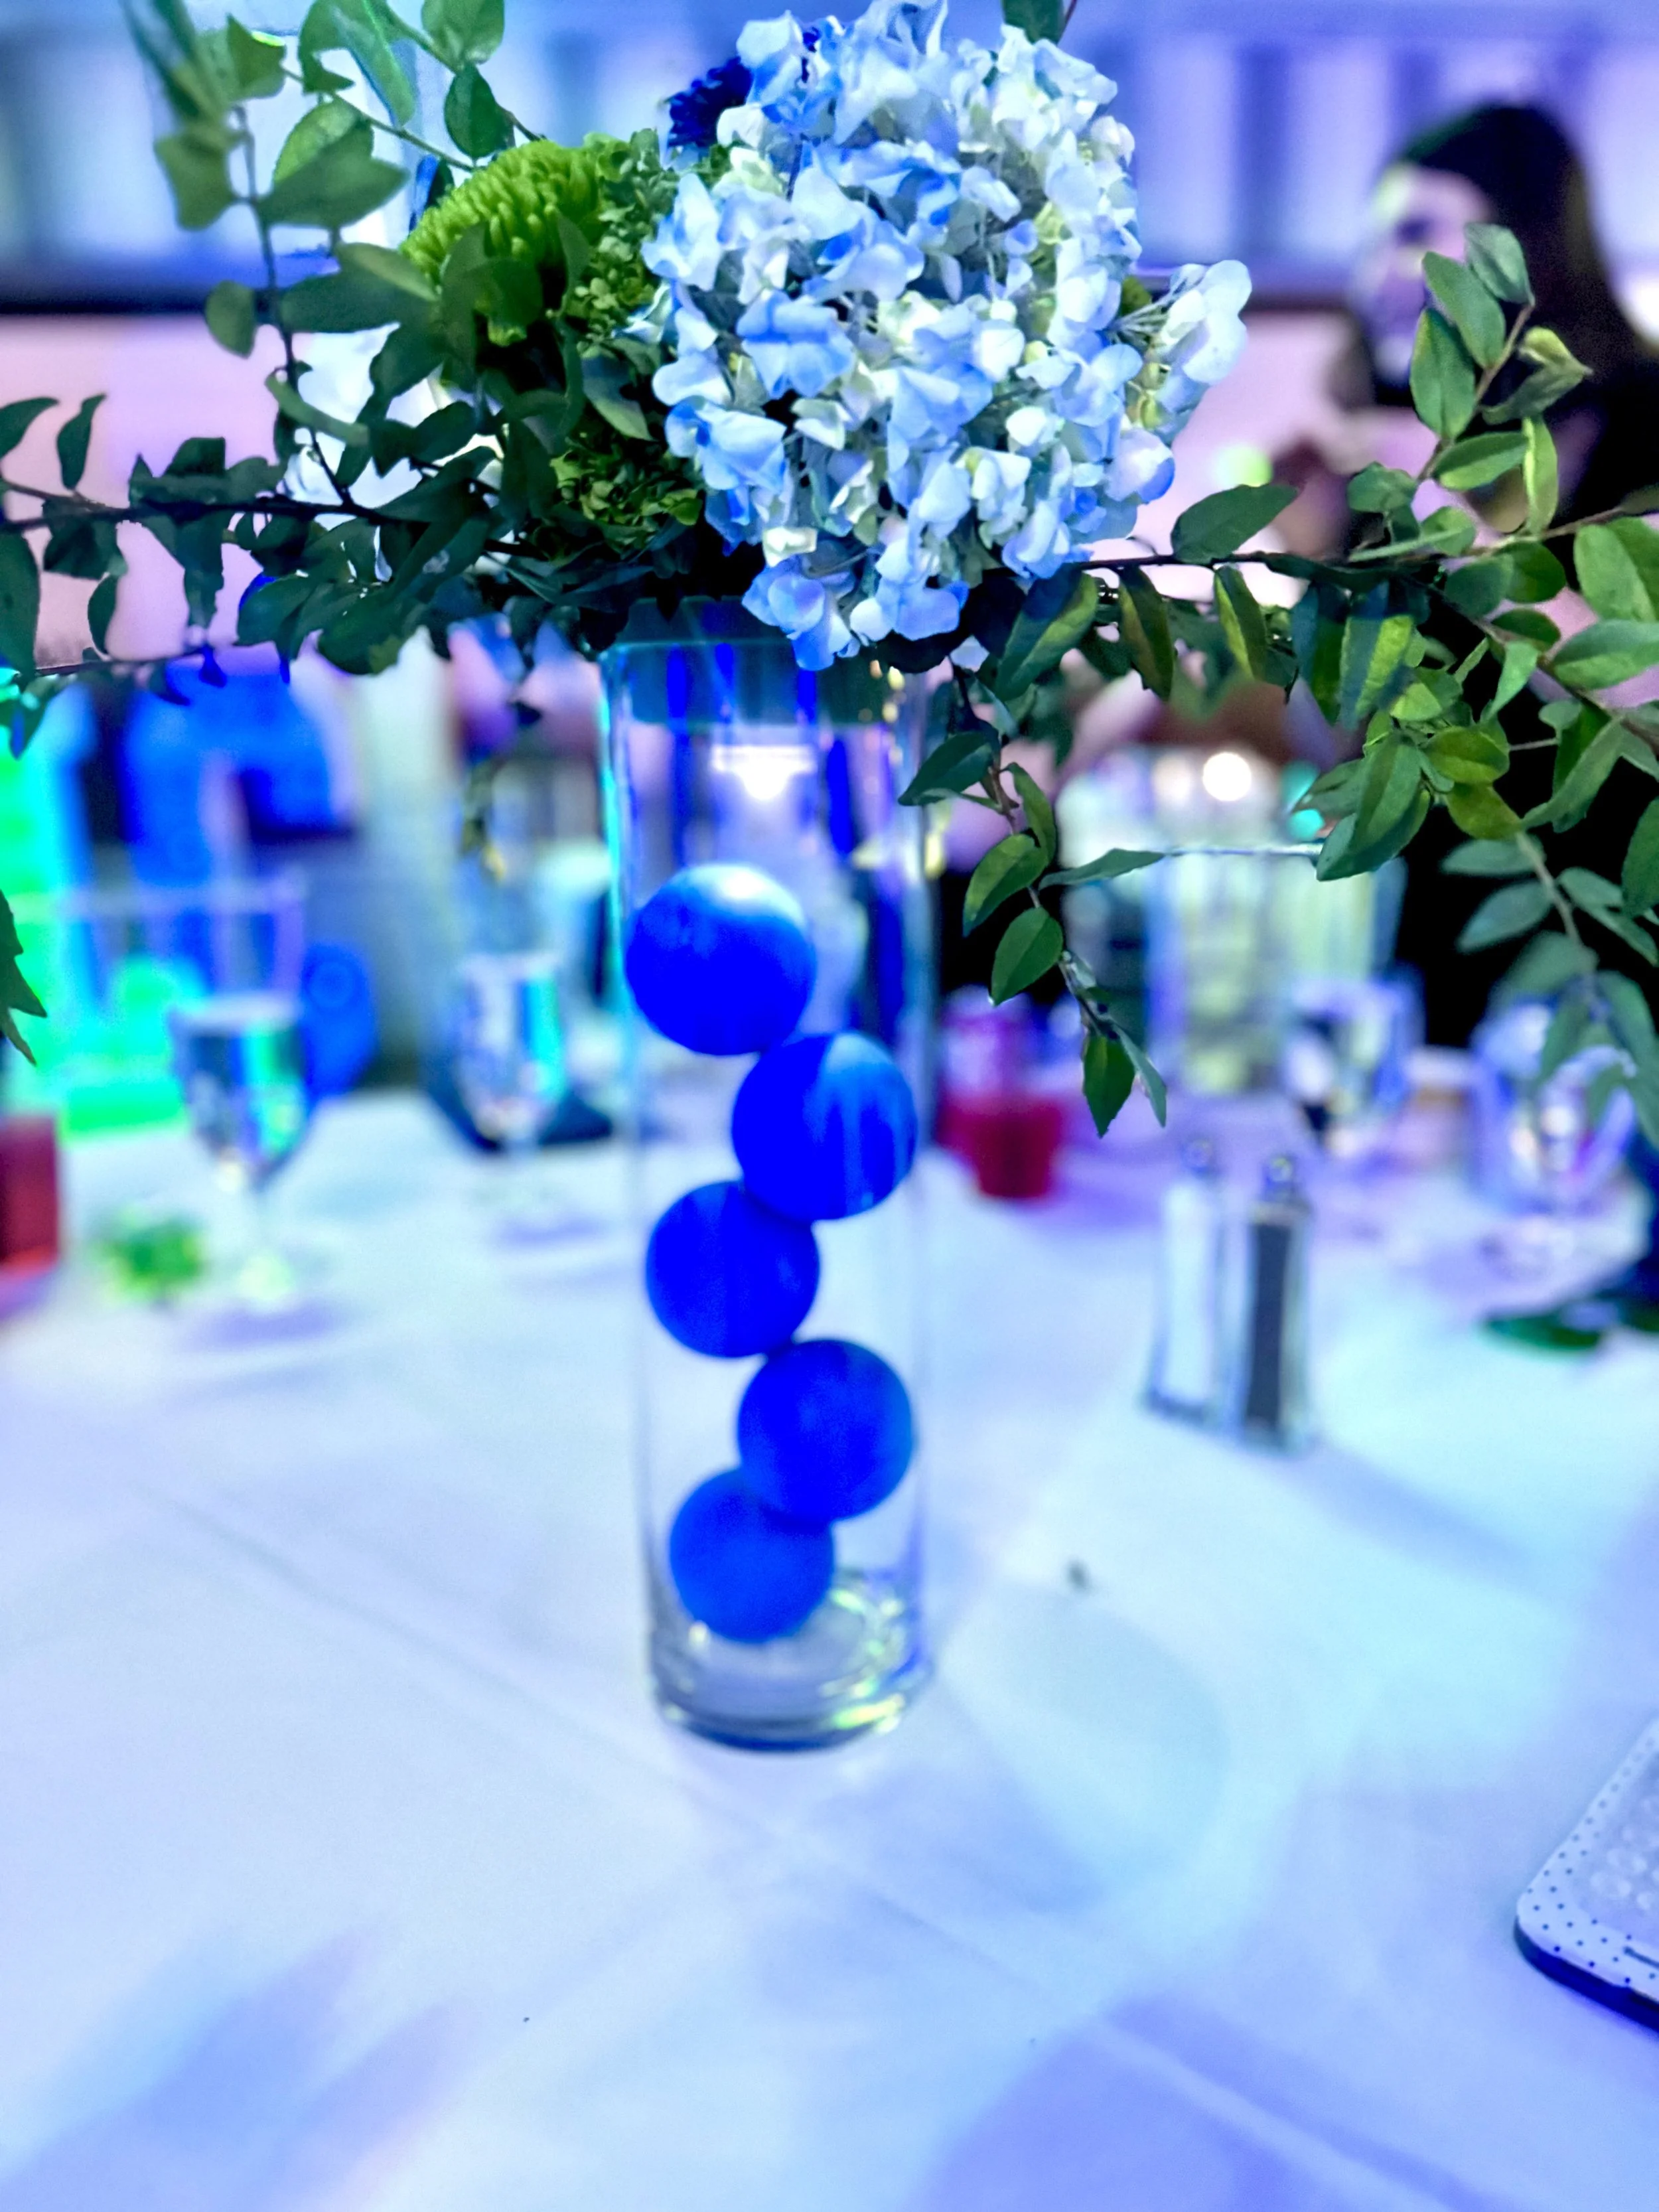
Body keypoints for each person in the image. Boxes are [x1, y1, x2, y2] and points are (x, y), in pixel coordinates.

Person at [1329, 106, 1659, 1041]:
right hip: (1442, 974)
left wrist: (1456, 532)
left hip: (1617, 965)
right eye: (1371, 243)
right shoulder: (1413, 462)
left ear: (1521, 252)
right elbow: (1347, 749)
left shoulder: (1645, 429)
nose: (1376, 276)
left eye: (1413, 234)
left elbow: (1646, 695)